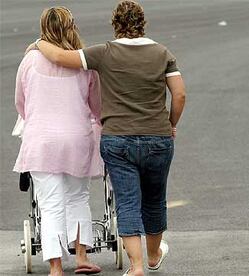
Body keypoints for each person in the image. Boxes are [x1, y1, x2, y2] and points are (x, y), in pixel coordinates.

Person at [29, 1, 186, 275]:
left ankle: (136, 266)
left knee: (127, 202)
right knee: (154, 199)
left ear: (116, 24)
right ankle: (152, 256)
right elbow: (180, 94)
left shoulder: (104, 52)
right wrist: (171, 123)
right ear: (142, 23)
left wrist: (40, 42)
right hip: (157, 137)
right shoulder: (163, 53)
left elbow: (60, 57)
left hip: (118, 139)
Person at [14, 7, 102, 276]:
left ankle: (55, 267)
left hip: (41, 141)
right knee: (78, 197)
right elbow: (97, 107)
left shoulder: (29, 61)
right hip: (76, 139)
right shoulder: (83, 63)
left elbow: (21, 103)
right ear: (72, 26)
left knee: (50, 204)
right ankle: (83, 257)